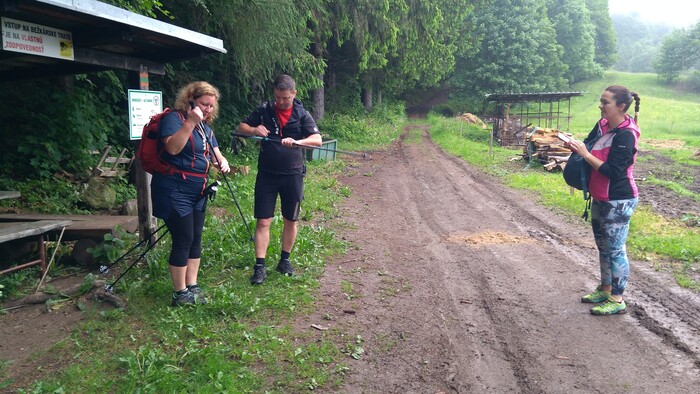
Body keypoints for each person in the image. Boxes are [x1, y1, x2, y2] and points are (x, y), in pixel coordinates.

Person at [236, 74, 322, 285]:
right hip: (267, 173)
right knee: (263, 220)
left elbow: (317, 140)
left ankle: (285, 261)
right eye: (277, 97)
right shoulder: (265, 109)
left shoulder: (302, 114)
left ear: (294, 93)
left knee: (290, 219)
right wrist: (254, 129)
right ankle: (260, 266)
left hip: (292, 174)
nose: (280, 101)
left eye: (285, 98)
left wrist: (297, 141)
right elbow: (241, 127)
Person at [150, 81, 230, 306]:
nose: (208, 109)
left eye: (211, 106)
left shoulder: (206, 129)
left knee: (195, 238)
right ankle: (179, 293)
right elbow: (173, 148)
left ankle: (191, 286)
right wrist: (191, 122)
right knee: (183, 238)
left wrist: (222, 162)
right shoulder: (174, 120)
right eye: (204, 104)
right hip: (173, 189)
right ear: (191, 100)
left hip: (198, 191)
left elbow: (216, 155)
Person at [566, 85, 641, 316]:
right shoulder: (602, 125)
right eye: (601, 101)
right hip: (599, 196)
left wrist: (585, 155)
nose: (601, 105)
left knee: (616, 250)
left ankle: (617, 299)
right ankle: (605, 288)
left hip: (619, 200)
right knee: (603, 247)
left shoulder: (626, 135)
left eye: (605, 102)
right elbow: (588, 146)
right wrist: (574, 147)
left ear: (621, 106)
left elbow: (613, 172)